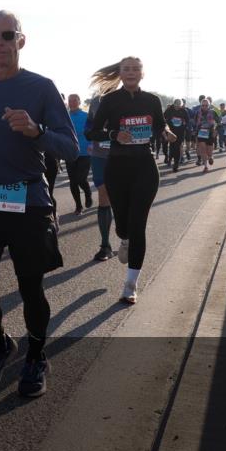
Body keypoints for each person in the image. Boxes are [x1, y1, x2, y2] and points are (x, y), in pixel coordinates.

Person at [0, 10, 78, 399]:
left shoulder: (42, 88)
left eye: (8, 35)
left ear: (21, 40)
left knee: (30, 288)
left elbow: (71, 147)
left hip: (28, 202)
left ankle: (36, 356)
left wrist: (37, 131)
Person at [86, 57, 176, 305]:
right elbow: (91, 132)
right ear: (121, 73)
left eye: (136, 69)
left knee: (138, 226)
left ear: (142, 74)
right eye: (127, 69)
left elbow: (159, 124)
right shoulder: (110, 100)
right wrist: (115, 134)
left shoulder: (151, 100)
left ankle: (130, 284)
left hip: (145, 166)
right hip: (117, 166)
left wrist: (165, 132)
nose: (132, 72)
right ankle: (122, 237)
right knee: (123, 226)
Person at [86, 88, 118, 261]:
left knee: (122, 198)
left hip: (123, 156)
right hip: (100, 155)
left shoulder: (126, 98)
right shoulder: (96, 100)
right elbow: (89, 125)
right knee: (103, 194)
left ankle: (126, 238)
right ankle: (105, 246)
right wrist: (90, 135)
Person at [64, 94, 92, 214]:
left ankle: (88, 192)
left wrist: (92, 145)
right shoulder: (64, 117)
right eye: (70, 101)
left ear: (79, 102)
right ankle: (78, 206)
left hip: (85, 152)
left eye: (75, 100)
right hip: (70, 152)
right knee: (73, 181)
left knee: (81, 179)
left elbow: (92, 133)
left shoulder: (86, 116)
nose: (72, 102)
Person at [163, 99, 191, 172]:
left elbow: (188, 121)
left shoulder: (184, 111)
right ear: (174, 105)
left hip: (180, 132)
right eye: (176, 106)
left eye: (179, 106)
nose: (177, 107)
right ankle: (170, 158)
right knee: (172, 146)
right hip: (171, 131)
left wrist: (185, 127)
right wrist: (166, 126)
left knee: (177, 147)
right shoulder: (169, 110)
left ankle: (176, 164)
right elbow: (163, 117)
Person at [193, 99, 218, 173]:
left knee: (209, 151)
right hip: (201, 133)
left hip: (210, 132)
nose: (204, 107)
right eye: (203, 105)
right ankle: (205, 166)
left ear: (209, 105)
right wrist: (194, 131)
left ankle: (210, 157)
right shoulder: (198, 112)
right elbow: (194, 123)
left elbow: (219, 122)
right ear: (201, 105)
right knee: (203, 150)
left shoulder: (213, 112)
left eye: (206, 105)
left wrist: (215, 131)